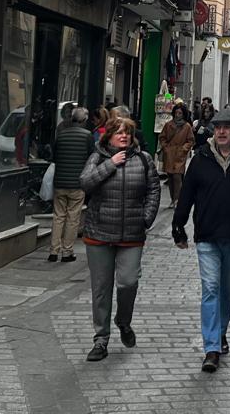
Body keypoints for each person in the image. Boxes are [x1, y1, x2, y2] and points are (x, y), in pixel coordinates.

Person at [173, 107, 230, 373]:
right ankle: (211, 347)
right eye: (218, 127)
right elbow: (187, 193)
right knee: (211, 288)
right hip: (206, 235)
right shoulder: (201, 158)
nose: (222, 131)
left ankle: (221, 330)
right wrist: (178, 225)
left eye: (227, 127)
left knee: (228, 289)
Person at [78, 116, 159, 361]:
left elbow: (153, 189)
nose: (123, 136)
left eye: (127, 132)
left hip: (131, 234)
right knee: (101, 289)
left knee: (128, 282)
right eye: (118, 132)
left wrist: (146, 218)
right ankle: (101, 339)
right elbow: (85, 183)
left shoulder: (143, 159)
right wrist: (110, 164)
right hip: (99, 232)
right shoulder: (98, 157)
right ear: (108, 136)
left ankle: (123, 321)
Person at [49, 106, 94, 262]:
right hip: (77, 183)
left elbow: (54, 157)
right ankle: (67, 252)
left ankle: (53, 251)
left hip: (60, 182)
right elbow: (91, 159)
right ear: (84, 120)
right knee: (73, 218)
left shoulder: (61, 135)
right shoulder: (87, 136)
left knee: (58, 216)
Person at [158, 102, 194, 207]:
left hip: (179, 155)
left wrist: (184, 149)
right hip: (169, 154)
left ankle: (177, 199)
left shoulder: (187, 127)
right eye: (176, 113)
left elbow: (190, 140)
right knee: (170, 177)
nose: (178, 115)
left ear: (184, 114)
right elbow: (162, 137)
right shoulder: (168, 125)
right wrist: (166, 148)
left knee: (177, 176)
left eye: (180, 113)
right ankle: (173, 198)